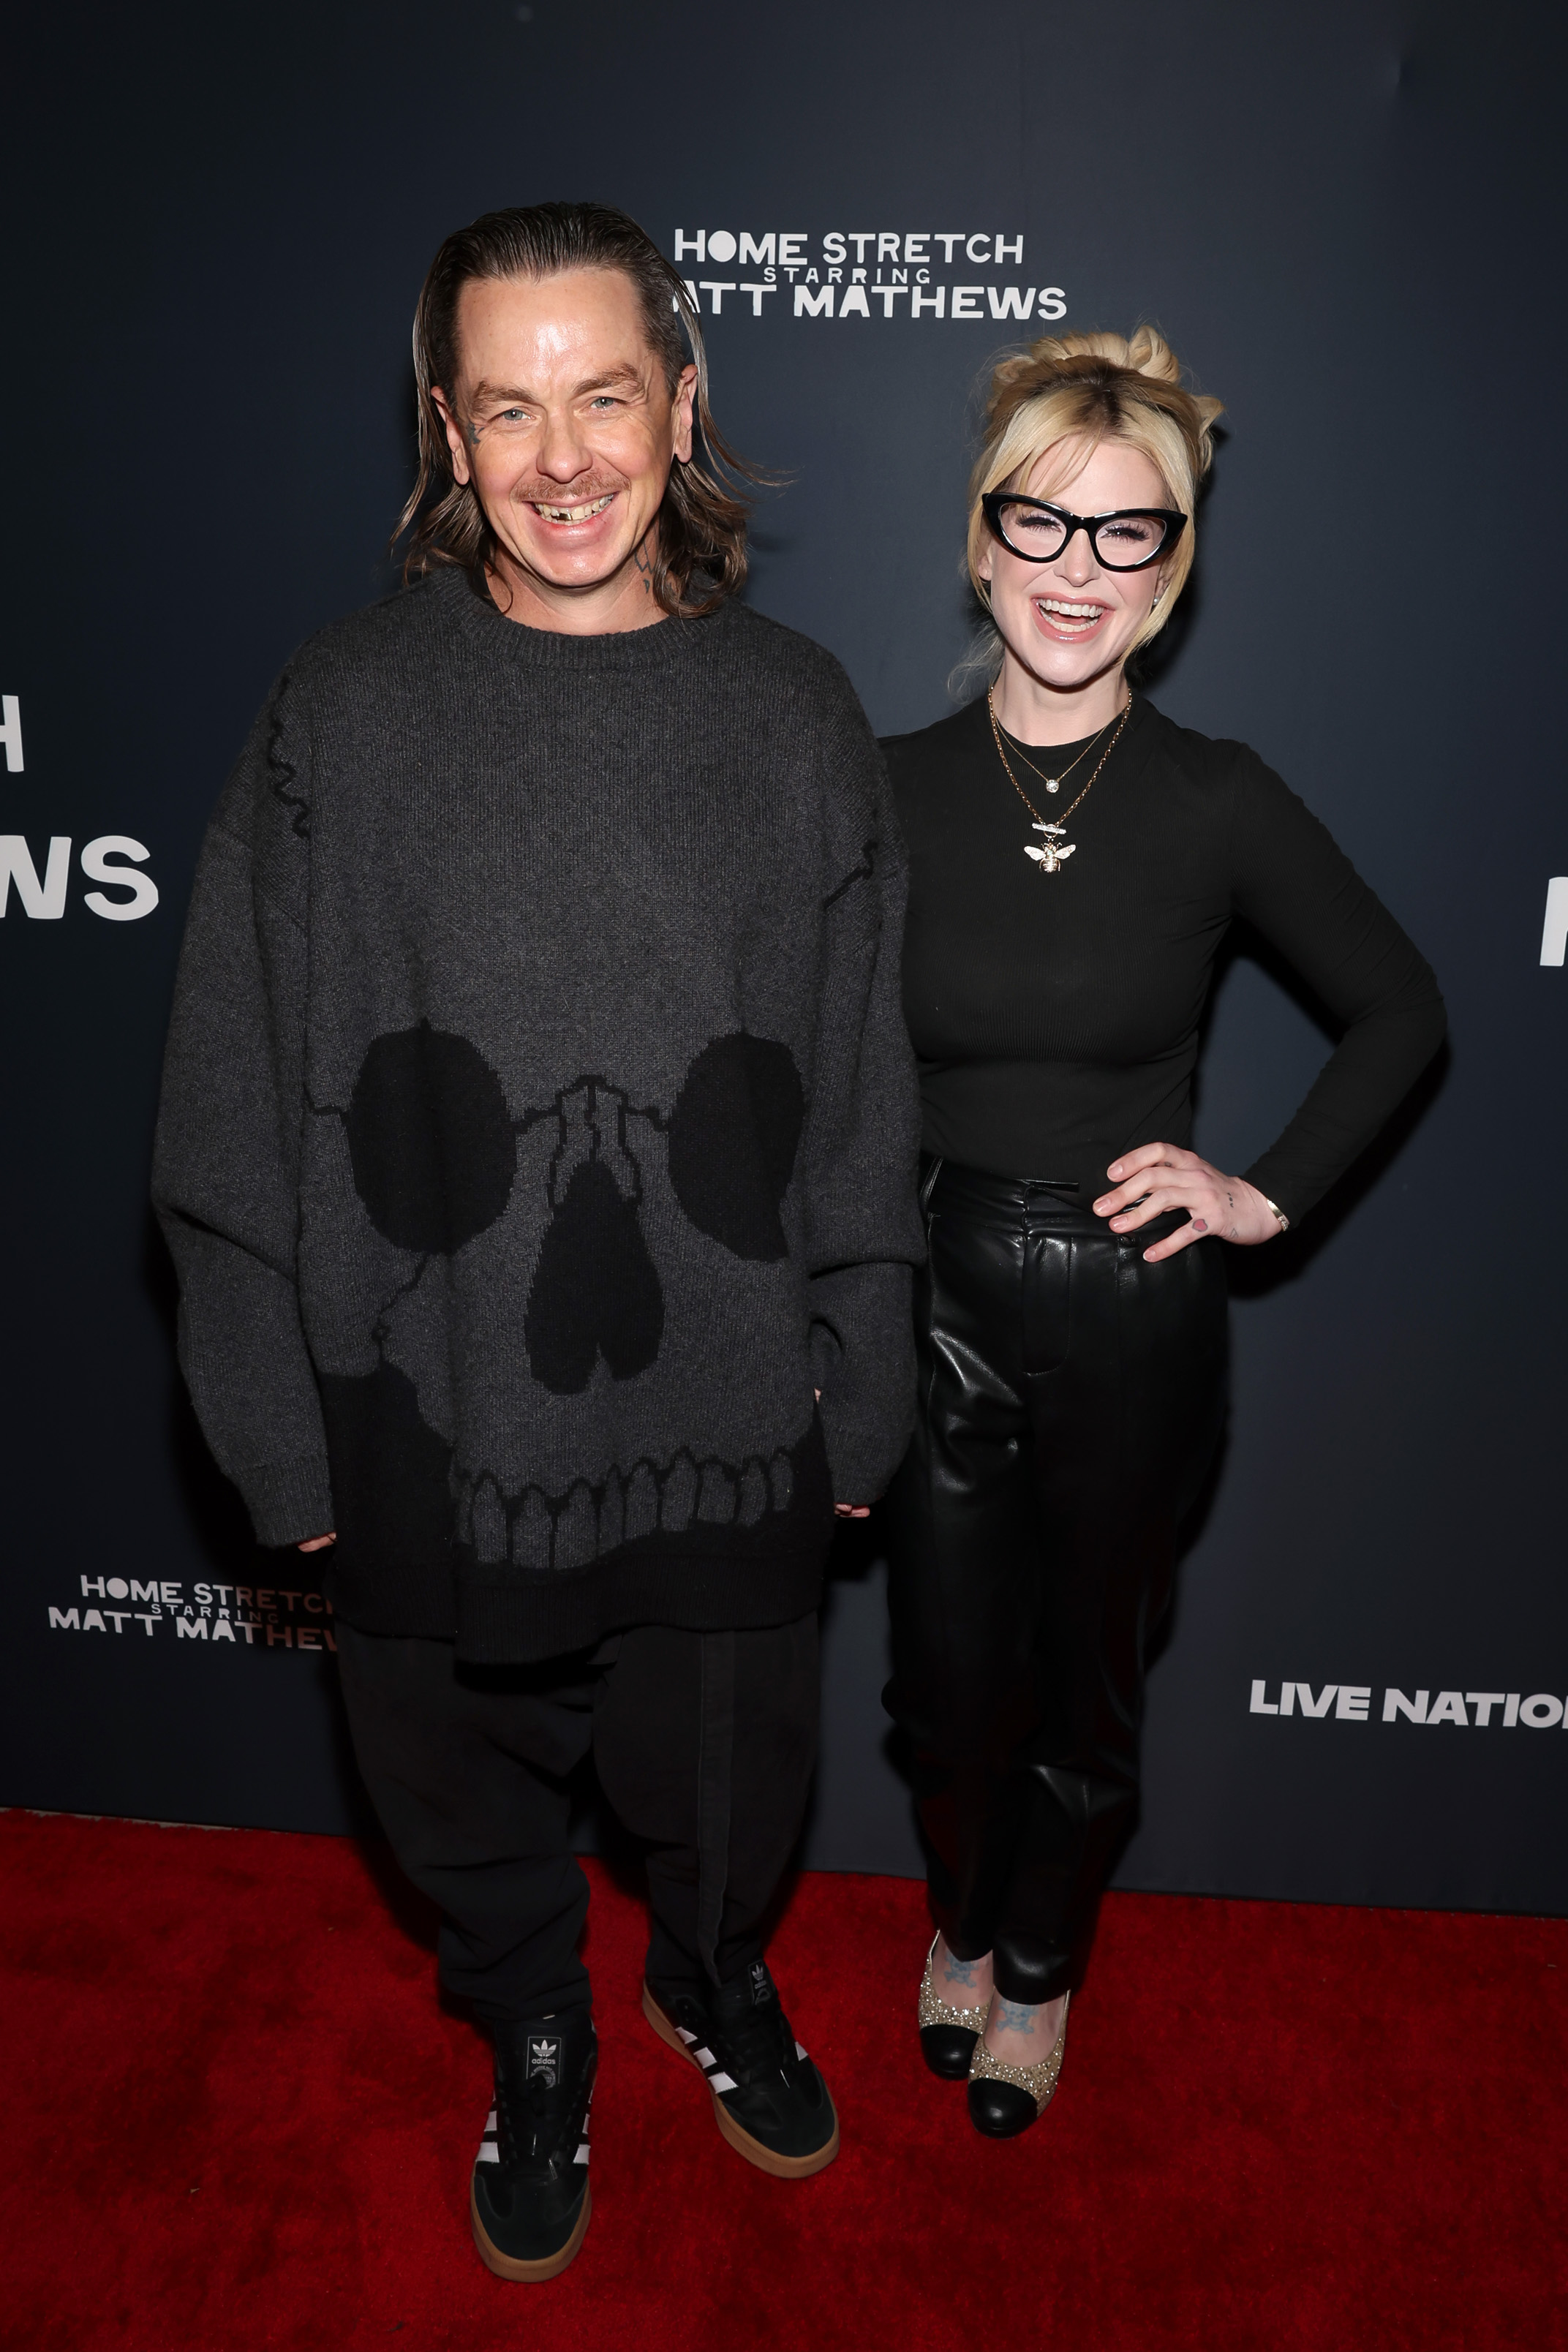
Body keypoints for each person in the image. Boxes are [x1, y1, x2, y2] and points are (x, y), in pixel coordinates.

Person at [152, 202, 921, 2278]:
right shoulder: (345, 711)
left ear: (685, 405)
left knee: (738, 1792)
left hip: (736, 1401)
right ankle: (539, 2028)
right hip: (427, 1398)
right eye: (510, 407)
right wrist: (271, 1426)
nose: (562, 455)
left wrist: (865, 1367)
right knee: (458, 1801)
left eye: (604, 396)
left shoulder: (795, 712)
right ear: (446, 429)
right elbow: (228, 1081)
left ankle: (707, 1980)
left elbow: (858, 1084)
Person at [880, 328, 1445, 2139]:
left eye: (1129, 535)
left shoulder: (1218, 797)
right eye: (1039, 525)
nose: (1075, 570)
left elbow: (1401, 1009)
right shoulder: (883, 790)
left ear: (1174, 569)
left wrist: (1255, 1189)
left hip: (1136, 1307)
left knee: (1085, 1688)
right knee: (944, 1690)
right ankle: (961, 1914)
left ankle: (1033, 1966)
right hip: (933, 1289)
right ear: (978, 541)